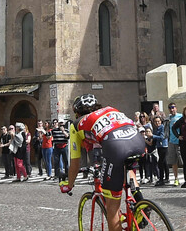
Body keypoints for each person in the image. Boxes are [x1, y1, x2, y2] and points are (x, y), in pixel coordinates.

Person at [59, 94, 147, 231]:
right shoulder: (110, 109)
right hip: (138, 141)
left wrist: (69, 185)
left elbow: (75, 163)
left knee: (112, 208)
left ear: (77, 112)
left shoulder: (76, 125)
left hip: (116, 147)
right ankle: (140, 201)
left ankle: (128, 213)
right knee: (126, 168)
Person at [165, 104, 182, 186]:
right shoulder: (168, 118)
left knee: (183, 161)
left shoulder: (181, 116)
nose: (172, 109)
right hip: (171, 141)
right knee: (173, 161)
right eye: (170, 108)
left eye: (173, 107)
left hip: (180, 141)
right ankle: (176, 178)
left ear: (176, 108)